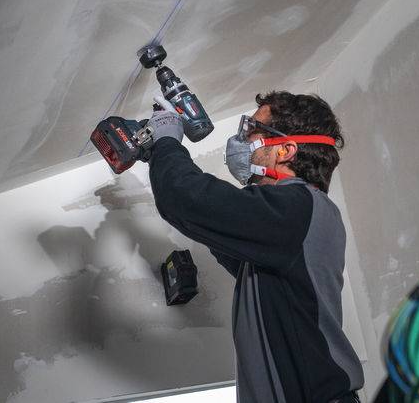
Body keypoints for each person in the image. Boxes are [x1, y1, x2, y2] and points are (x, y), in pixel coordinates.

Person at [147, 91, 364, 403]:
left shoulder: (298, 207)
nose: (242, 142)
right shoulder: (297, 218)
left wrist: (166, 141)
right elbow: (213, 227)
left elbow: (185, 200)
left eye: (252, 132)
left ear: (286, 150)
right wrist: (159, 154)